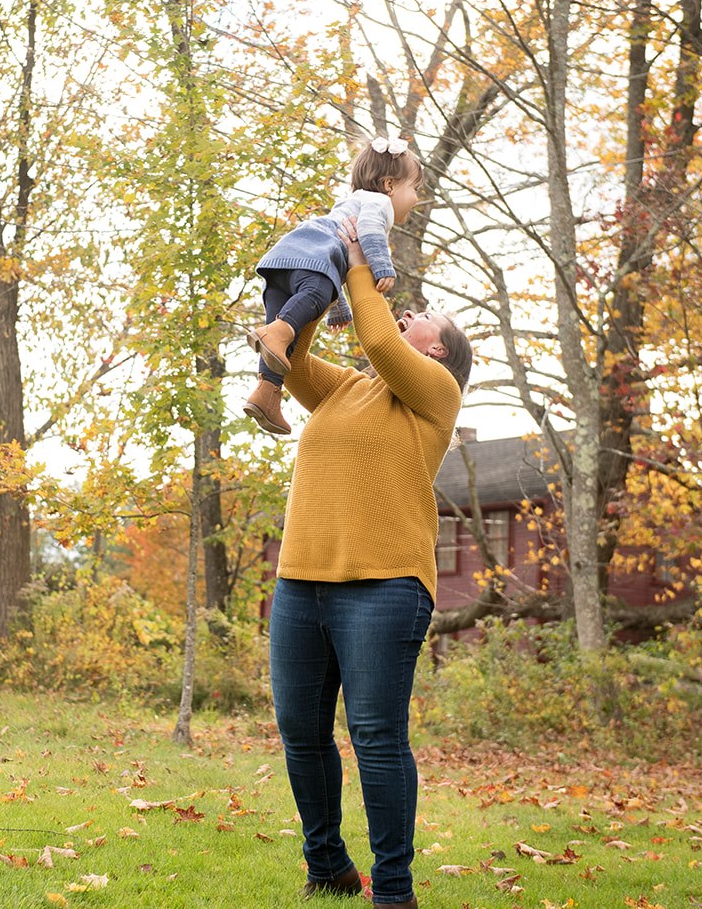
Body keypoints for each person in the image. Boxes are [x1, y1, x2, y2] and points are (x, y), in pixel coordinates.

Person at [268, 215, 473, 908]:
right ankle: (326, 863)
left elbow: (379, 336)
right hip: (302, 582)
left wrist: (360, 261)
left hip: (384, 586)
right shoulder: (347, 388)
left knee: (377, 736)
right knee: (300, 730)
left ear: (437, 349)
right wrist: (307, 284)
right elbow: (285, 357)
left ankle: (393, 889)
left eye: (423, 316)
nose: (406, 312)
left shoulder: (436, 396)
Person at [243, 134, 423, 436]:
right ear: (390, 185)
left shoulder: (349, 203)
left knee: (287, 339)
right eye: (414, 188)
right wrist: (381, 266)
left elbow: (331, 264)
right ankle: (277, 331)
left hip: (286, 259)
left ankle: (266, 394)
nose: (416, 198)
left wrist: (337, 307)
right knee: (297, 314)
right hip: (311, 255)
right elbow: (363, 234)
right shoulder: (379, 204)